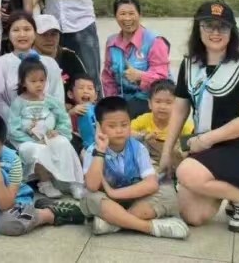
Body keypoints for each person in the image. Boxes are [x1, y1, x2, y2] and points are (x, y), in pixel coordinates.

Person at [162, 1, 239, 233]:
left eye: (222, 27)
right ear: (198, 29)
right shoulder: (189, 64)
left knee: (186, 172)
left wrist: (204, 140)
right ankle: (236, 191)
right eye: (208, 25)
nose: (215, 32)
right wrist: (166, 151)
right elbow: (180, 110)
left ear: (232, 31)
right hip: (209, 151)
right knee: (192, 215)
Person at [80, 96, 189, 239]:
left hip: (134, 198)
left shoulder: (138, 148)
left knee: (167, 192)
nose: (119, 130)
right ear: (99, 127)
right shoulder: (93, 151)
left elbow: (151, 184)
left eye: (124, 125)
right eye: (112, 126)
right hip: (107, 201)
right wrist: (100, 150)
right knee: (91, 197)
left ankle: (112, 222)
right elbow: (92, 186)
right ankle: (149, 227)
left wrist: (114, 193)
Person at [7, 57, 84, 199]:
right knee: (36, 150)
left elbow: (64, 120)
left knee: (62, 142)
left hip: (49, 137)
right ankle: (45, 183)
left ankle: (72, 182)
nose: (39, 85)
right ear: (23, 82)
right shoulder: (18, 103)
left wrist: (58, 131)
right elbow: (13, 129)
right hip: (28, 141)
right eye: (33, 81)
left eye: (42, 80)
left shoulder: (51, 101)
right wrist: (33, 140)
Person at [101, 0, 170, 118]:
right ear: (115, 16)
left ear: (140, 15)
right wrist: (112, 102)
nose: (127, 18)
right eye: (122, 14)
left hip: (148, 99)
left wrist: (140, 77)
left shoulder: (154, 41)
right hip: (123, 99)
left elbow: (162, 77)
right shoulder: (111, 43)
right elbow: (108, 77)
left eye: (131, 13)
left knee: (126, 115)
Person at [0, 12, 65, 118]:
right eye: (16, 30)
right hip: (12, 124)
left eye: (27, 29)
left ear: (34, 33)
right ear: (9, 35)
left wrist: (46, 122)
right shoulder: (1, 63)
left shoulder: (50, 64)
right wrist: (17, 122)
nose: (22, 34)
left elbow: (58, 98)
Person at [132, 79, 193, 172]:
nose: (162, 107)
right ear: (150, 103)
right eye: (158, 101)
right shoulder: (144, 119)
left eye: (168, 102)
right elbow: (127, 131)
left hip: (175, 162)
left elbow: (191, 144)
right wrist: (143, 135)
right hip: (151, 160)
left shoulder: (183, 124)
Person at [33, 13, 88, 99]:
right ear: (33, 35)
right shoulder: (26, 60)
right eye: (44, 34)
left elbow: (85, 87)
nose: (49, 39)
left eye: (54, 34)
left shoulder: (70, 57)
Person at [69, 74, 99, 154]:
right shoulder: (69, 112)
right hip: (80, 148)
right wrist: (70, 113)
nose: (85, 91)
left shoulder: (100, 110)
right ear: (70, 94)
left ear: (95, 96)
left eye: (90, 88)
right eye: (81, 88)